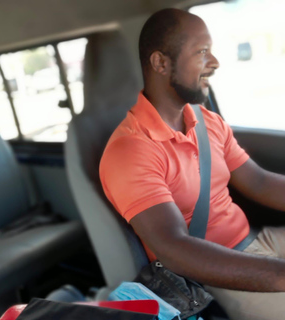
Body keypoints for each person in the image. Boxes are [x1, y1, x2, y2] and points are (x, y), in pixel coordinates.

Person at [100, 8, 285, 320]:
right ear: (161, 63)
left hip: (259, 244)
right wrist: (280, 275)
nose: (214, 63)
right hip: (215, 274)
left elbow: (258, 182)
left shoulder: (206, 121)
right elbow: (173, 248)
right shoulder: (130, 151)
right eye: (202, 52)